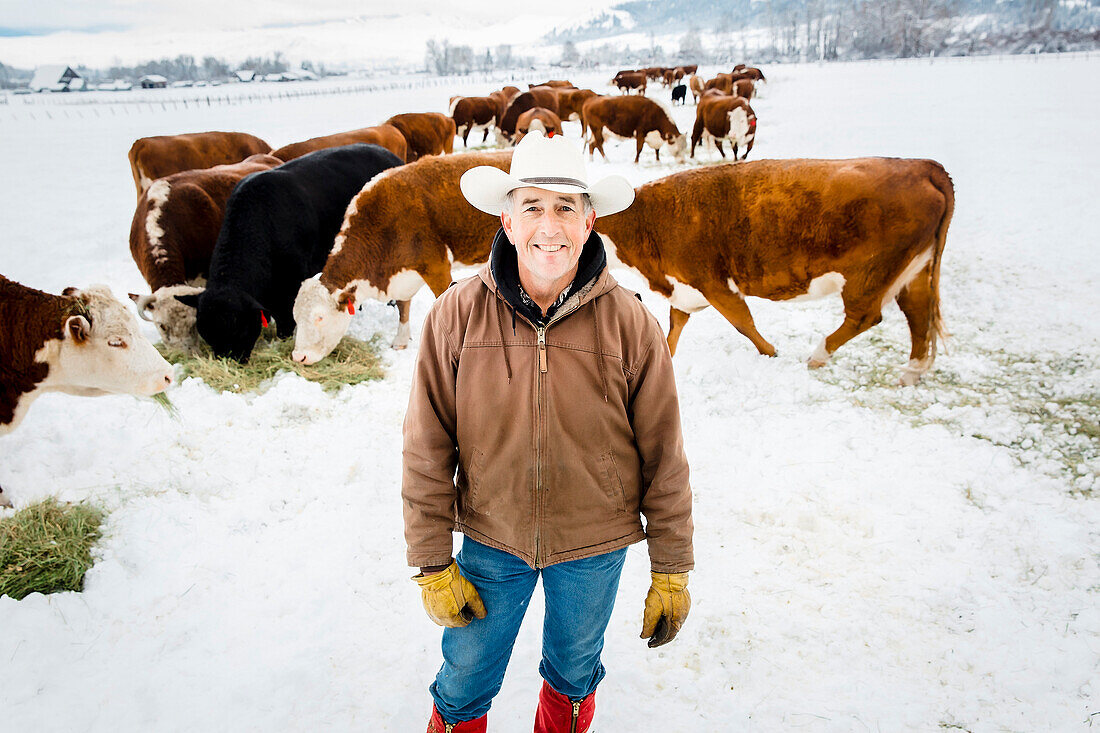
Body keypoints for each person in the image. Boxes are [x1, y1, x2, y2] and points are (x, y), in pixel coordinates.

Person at [402, 130, 694, 733]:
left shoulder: (631, 322)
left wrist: (671, 566)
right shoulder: (456, 314)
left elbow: (665, 452)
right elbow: (426, 447)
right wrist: (432, 562)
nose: (549, 225)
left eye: (565, 207)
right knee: (463, 679)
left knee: (573, 674)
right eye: (532, 206)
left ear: (589, 223)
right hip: (492, 537)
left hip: (594, 547)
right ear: (506, 221)